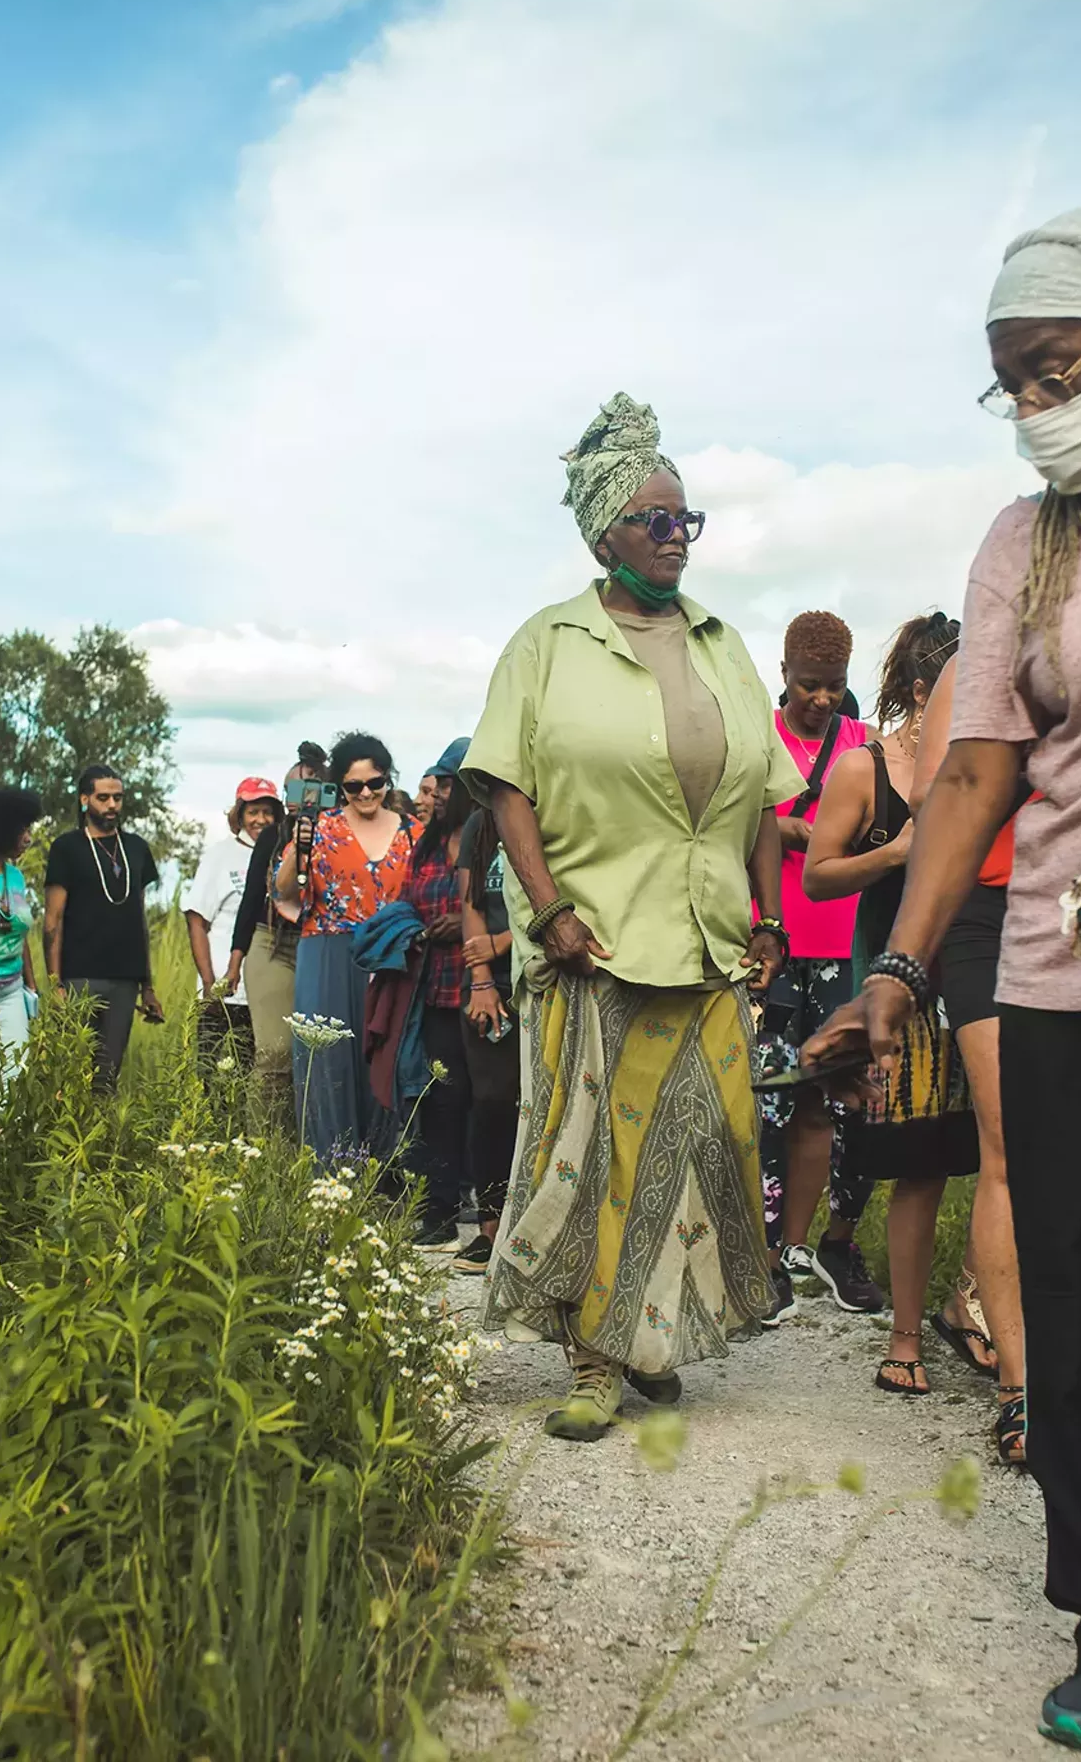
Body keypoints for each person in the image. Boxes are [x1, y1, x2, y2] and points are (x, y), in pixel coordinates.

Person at [803, 206, 1081, 1755]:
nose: (1039, 406)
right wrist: (902, 967)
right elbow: (979, 771)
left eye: (1060, 367)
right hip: (1077, 964)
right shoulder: (1026, 538)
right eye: (1013, 383)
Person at [463, 391, 798, 1441]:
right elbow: (505, 786)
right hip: (594, 940)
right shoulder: (547, 643)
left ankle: (654, 1331)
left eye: (683, 520)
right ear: (602, 529)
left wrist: (768, 917)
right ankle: (595, 1358)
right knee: (592, 1151)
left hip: (705, 940)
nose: (672, 538)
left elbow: (762, 796)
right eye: (653, 519)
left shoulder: (721, 644)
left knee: (700, 1145)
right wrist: (548, 907)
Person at [803, 613, 980, 1398]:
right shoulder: (860, 770)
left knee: (1006, 1163)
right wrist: (897, 852)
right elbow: (817, 876)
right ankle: (905, 1337)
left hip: (984, 977)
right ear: (923, 688)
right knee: (922, 1170)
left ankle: (971, 1307)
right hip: (899, 990)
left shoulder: (988, 760)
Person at [911, 653, 1028, 1467]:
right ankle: (1023, 1388)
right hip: (991, 909)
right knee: (1011, 1145)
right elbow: (932, 793)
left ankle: (975, 1301)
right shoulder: (988, 646)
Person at [756, 609, 882, 1326]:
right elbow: (724, 818)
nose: (822, 700)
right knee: (768, 1100)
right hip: (772, 940)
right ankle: (764, 1260)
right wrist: (785, 827)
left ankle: (820, 1247)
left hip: (847, 942)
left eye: (834, 687)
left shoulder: (862, 745)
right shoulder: (757, 737)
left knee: (837, 1105)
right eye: (809, 685)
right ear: (783, 675)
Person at [276, 732, 414, 1160]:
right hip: (328, 954)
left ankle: (386, 1179)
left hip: (392, 959)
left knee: (387, 1063)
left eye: (375, 782)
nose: (367, 792)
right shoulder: (321, 828)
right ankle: (329, 1178)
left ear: (388, 780)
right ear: (341, 787)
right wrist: (298, 848)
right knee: (328, 1065)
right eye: (354, 786)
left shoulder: (415, 833)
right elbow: (284, 893)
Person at [400, 738, 476, 1249]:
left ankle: (489, 1207)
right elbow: (405, 901)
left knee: (488, 1103)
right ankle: (439, 1210)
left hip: (484, 988)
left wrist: (467, 929)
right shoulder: (426, 845)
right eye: (438, 782)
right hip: (435, 990)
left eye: (449, 782)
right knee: (440, 1103)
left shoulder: (493, 839)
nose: (440, 792)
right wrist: (423, 929)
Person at [44, 765, 164, 1087]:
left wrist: (147, 986)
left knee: (106, 1077)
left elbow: (139, 918)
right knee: (70, 1074)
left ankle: (104, 1138)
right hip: (78, 978)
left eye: (118, 798)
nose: (112, 805)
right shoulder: (66, 848)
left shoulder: (136, 848)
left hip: (124, 980)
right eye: (103, 797)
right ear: (85, 800)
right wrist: (55, 984)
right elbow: (52, 920)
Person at [228, 743, 327, 1083]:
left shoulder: (340, 833)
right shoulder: (273, 835)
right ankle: (263, 1136)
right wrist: (234, 964)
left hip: (322, 945)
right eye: (290, 790)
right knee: (274, 1054)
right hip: (273, 942)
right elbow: (253, 898)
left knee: (319, 1054)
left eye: (307, 788)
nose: (298, 799)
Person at [453, 803, 519, 1275]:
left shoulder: (557, 811)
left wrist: (505, 940)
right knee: (492, 1101)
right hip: (491, 986)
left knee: (540, 1104)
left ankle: (534, 1229)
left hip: (545, 971)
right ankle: (490, 1227)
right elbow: (471, 903)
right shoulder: (482, 822)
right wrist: (481, 978)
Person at [184, 777, 282, 1070]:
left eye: (267, 812)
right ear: (239, 815)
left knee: (254, 1071)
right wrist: (209, 984)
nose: (260, 820)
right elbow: (197, 921)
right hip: (224, 992)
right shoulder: (219, 856)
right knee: (212, 1075)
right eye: (253, 812)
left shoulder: (282, 854)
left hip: (263, 990)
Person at [0, 787, 42, 1076]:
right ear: (0, 828)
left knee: (15, 1074)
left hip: (10, 989)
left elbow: (20, 935)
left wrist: (32, 985)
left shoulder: (15, 876)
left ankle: (7, 1124)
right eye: (23, 829)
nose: (28, 838)